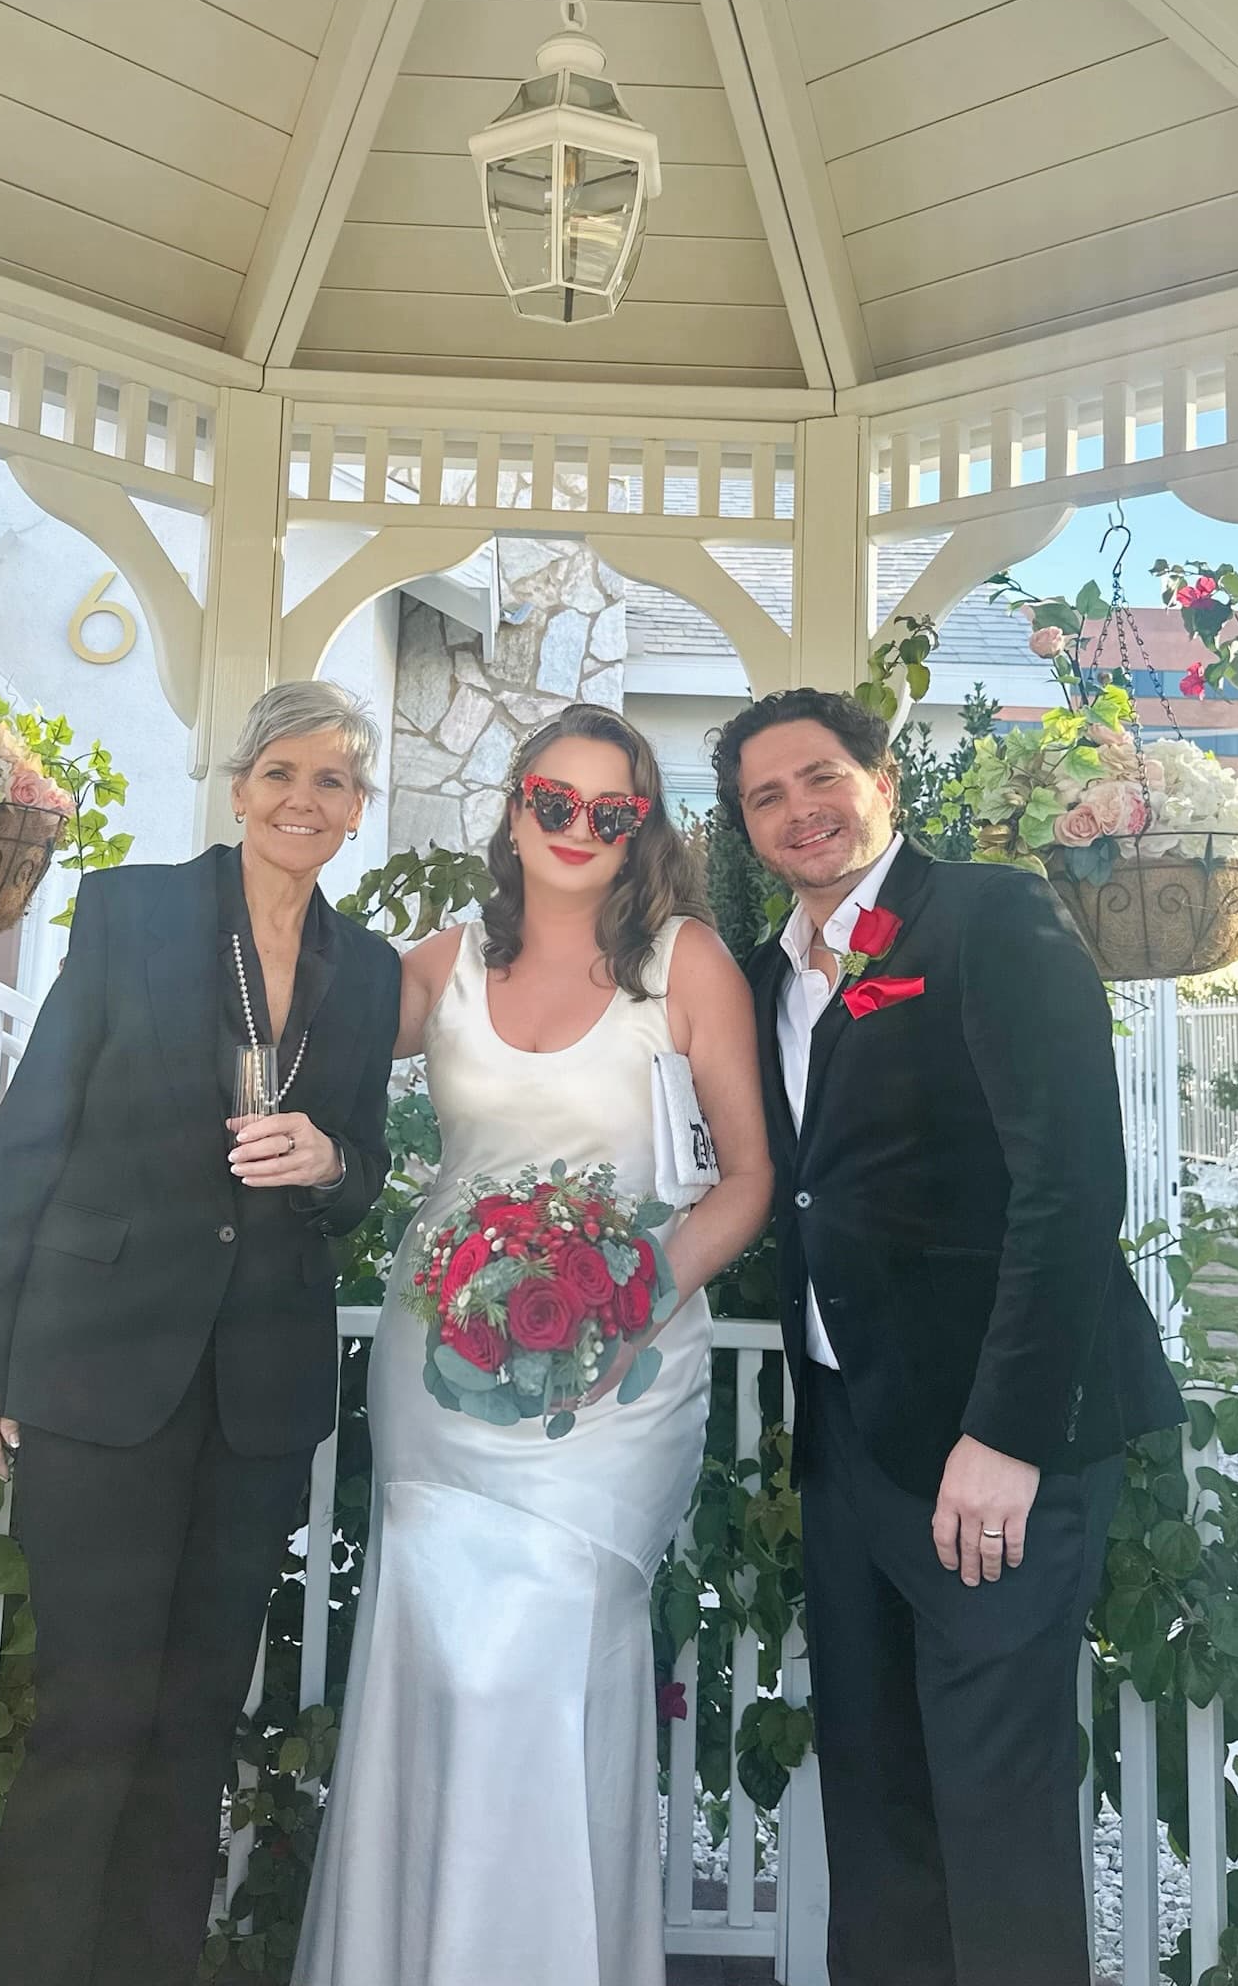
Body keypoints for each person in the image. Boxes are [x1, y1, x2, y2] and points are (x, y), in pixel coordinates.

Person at [292, 702, 773, 1986]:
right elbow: (301, 1020)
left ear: (639, 833)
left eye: (608, 812)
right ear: (513, 807)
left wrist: (629, 1299)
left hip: (621, 1374)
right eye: (551, 801)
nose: (575, 828)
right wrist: (291, 825)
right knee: (441, 1663)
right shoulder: (443, 962)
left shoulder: (688, 965)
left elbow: (744, 1185)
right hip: (437, 1364)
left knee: (542, 1656)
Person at [712, 687, 1184, 1986]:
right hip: (848, 1451)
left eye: (821, 778)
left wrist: (1007, 1435)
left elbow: (1073, 1186)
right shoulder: (764, 982)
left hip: (993, 1455)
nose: (800, 811)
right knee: (877, 1815)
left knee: (998, 1821)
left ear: (881, 778)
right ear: (746, 830)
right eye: (766, 797)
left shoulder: (988, 919)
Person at [0, 680, 401, 1986]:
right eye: (284, 773)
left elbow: (359, 1170)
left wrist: (328, 1164)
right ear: (240, 785)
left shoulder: (364, 973)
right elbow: (32, 1128)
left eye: (334, 783)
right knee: (89, 1718)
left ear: (357, 812)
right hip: (96, 1372)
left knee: (195, 1725)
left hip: (255, 1397)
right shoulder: (130, 910)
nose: (305, 801)